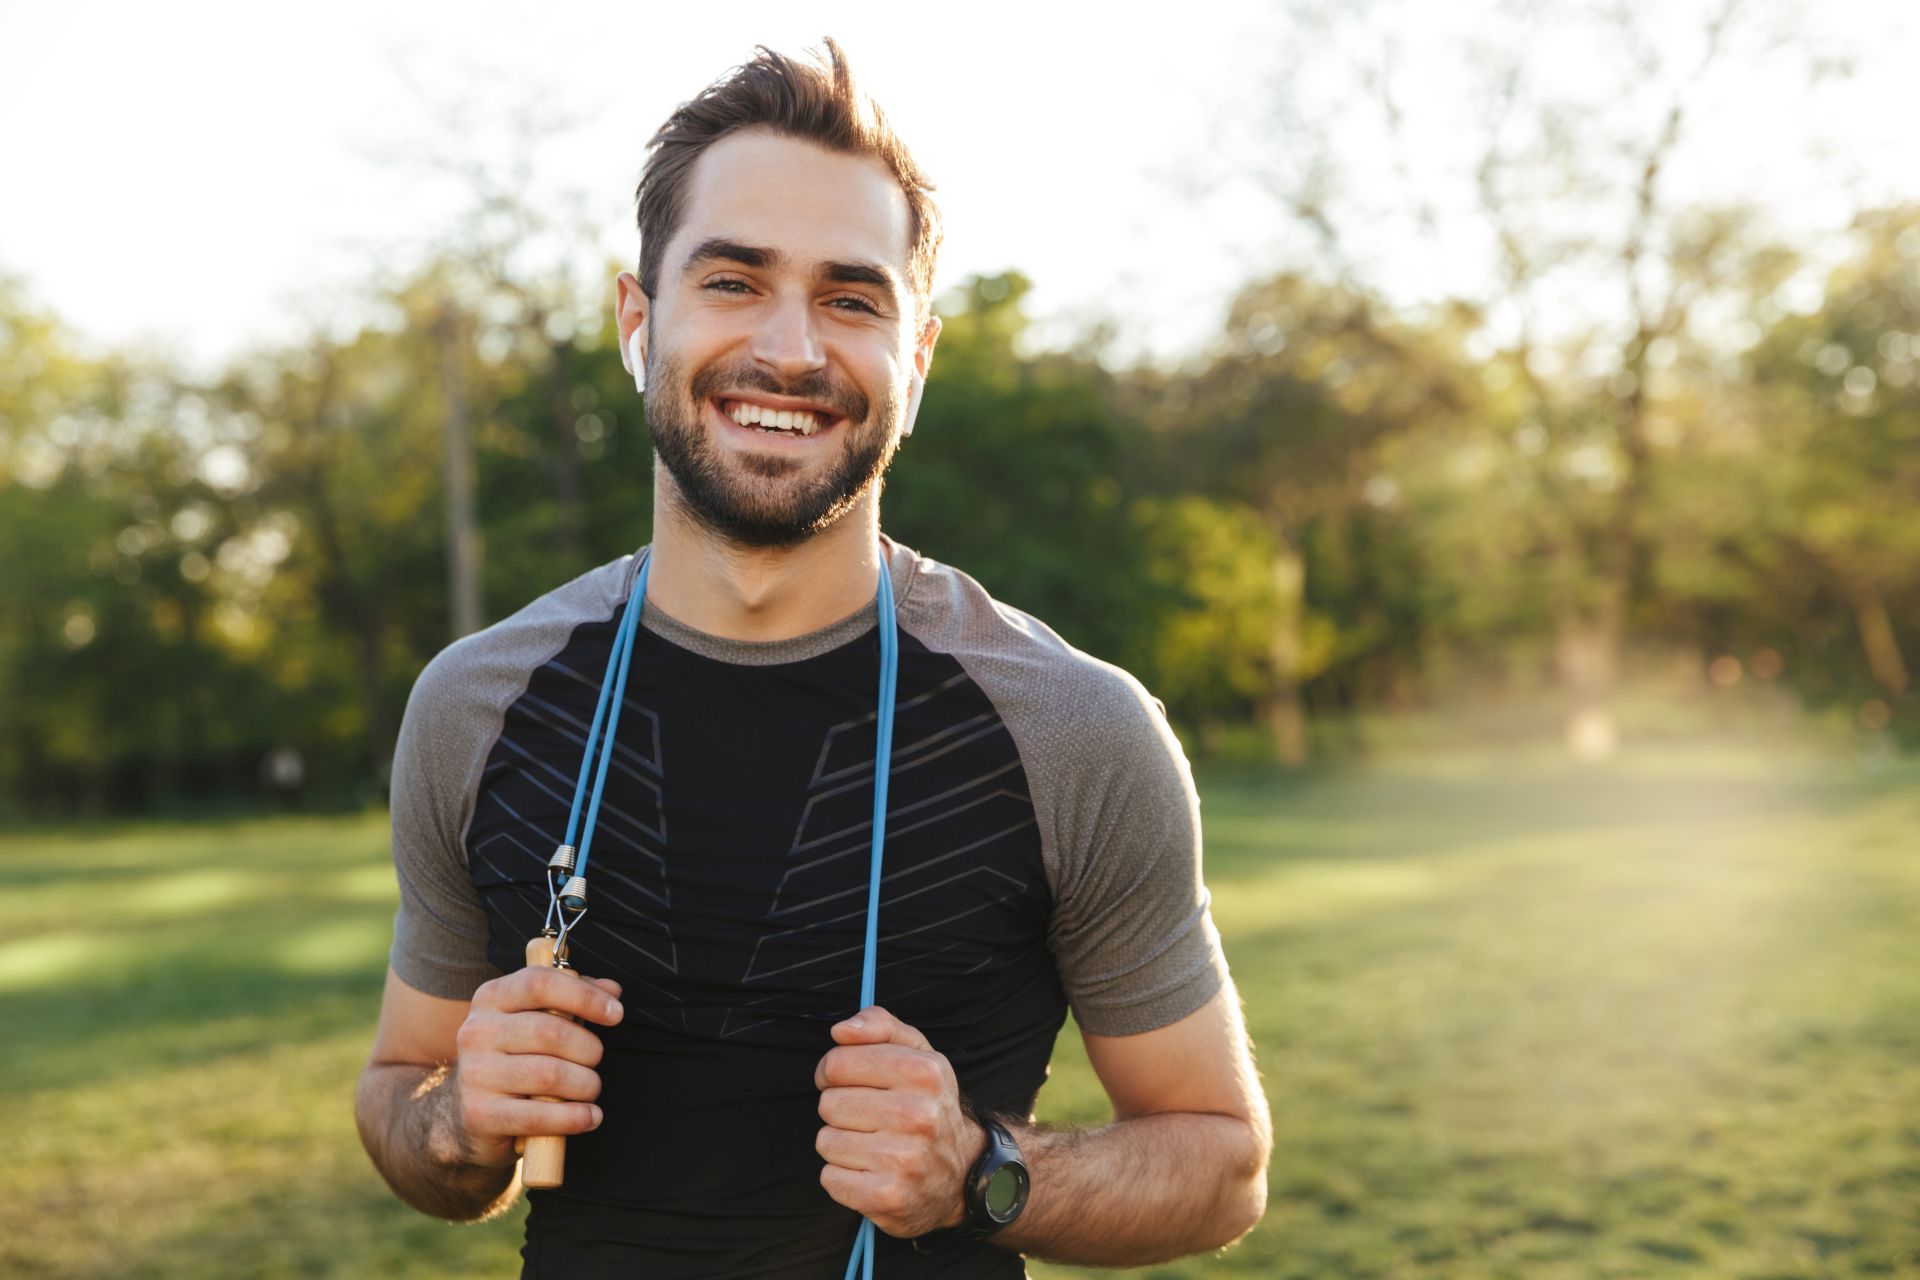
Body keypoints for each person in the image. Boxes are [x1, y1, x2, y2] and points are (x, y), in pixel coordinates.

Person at [353, 36, 1270, 1279]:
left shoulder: (1073, 728)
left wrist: (980, 1172)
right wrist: (457, 1117)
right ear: (640, 318)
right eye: (733, 280)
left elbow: (1220, 1161)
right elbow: (401, 1102)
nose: (792, 350)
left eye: (852, 297)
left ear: (919, 359)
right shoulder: (476, 702)